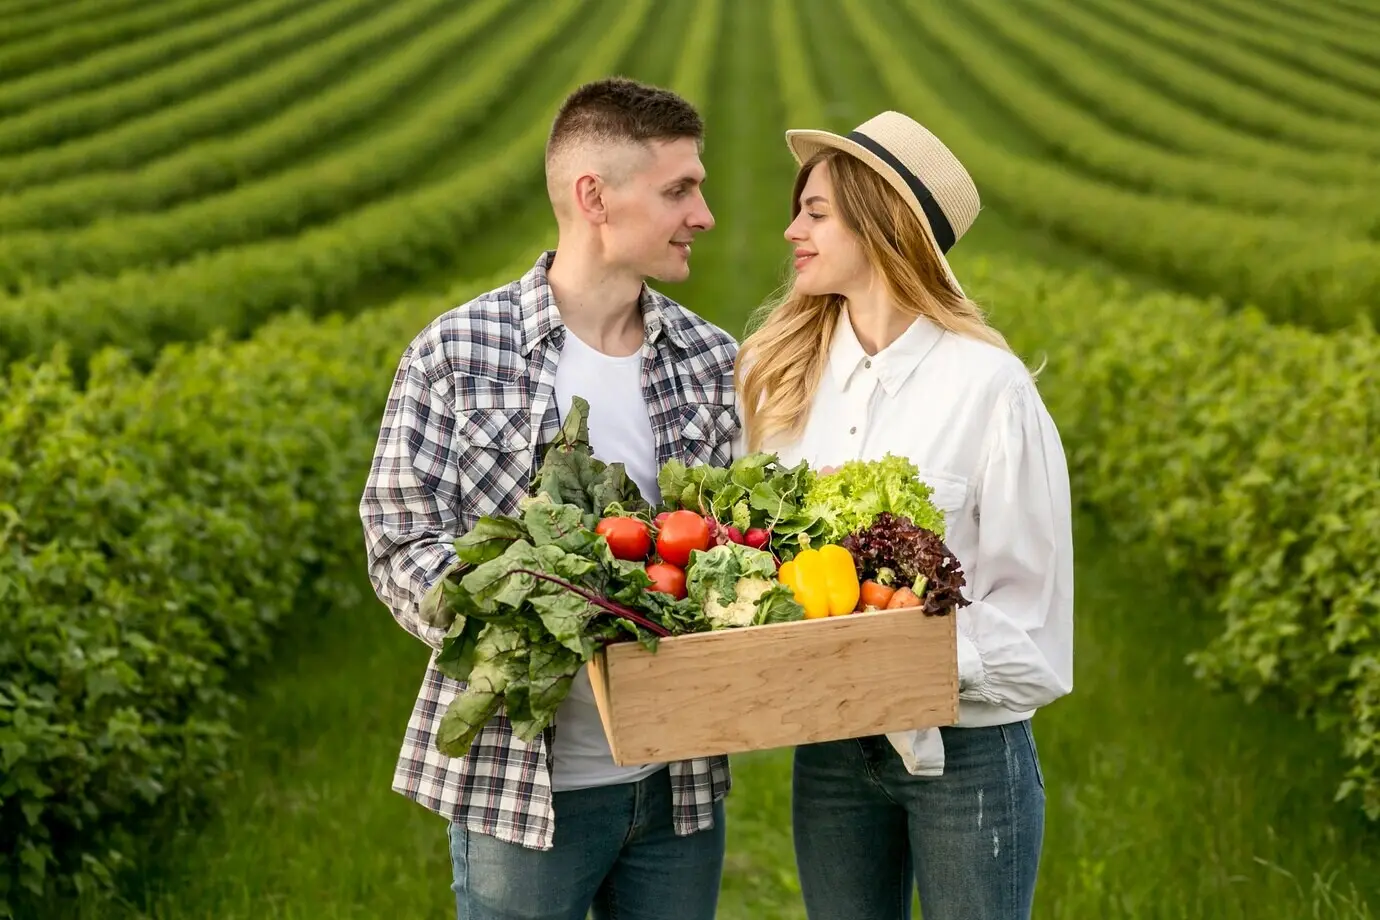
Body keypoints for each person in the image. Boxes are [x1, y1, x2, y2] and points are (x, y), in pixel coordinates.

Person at [358, 77, 742, 920]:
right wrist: (537, 614)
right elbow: (399, 536)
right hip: (522, 786)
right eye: (680, 189)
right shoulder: (458, 351)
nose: (704, 214)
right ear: (594, 196)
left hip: (675, 785)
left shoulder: (712, 360)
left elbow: (741, 545)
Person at [734, 111, 1075, 920]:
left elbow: (1037, 633)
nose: (791, 231)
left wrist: (896, 649)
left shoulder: (989, 390)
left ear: (883, 222)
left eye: (815, 213)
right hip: (830, 747)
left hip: (967, 753)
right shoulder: (776, 378)